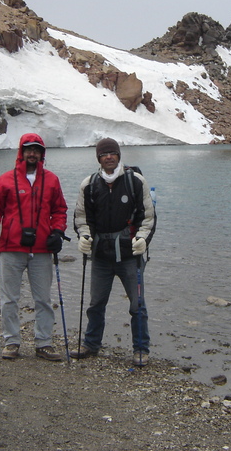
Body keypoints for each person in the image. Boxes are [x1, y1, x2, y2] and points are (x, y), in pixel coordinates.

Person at [0, 133, 68, 361]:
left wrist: (57, 232)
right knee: (9, 298)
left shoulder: (52, 180)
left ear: (42, 154)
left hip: (41, 248)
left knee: (43, 300)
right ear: (21, 152)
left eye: (36, 150)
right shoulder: (5, 180)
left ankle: (44, 343)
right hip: (11, 247)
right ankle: (11, 342)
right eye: (28, 149)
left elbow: (59, 210)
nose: (32, 153)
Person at [72, 138, 156, 366]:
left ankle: (141, 349)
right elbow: (81, 218)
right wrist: (84, 236)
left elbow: (148, 217)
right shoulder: (89, 185)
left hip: (130, 255)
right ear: (98, 158)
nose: (109, 157)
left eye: (112, 153)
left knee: (137, 304)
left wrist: (143, 239)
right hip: (101, 255)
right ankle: (91, 344)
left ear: (119, 155)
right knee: (96, 303)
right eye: (104, 154)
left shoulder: (135, 181)